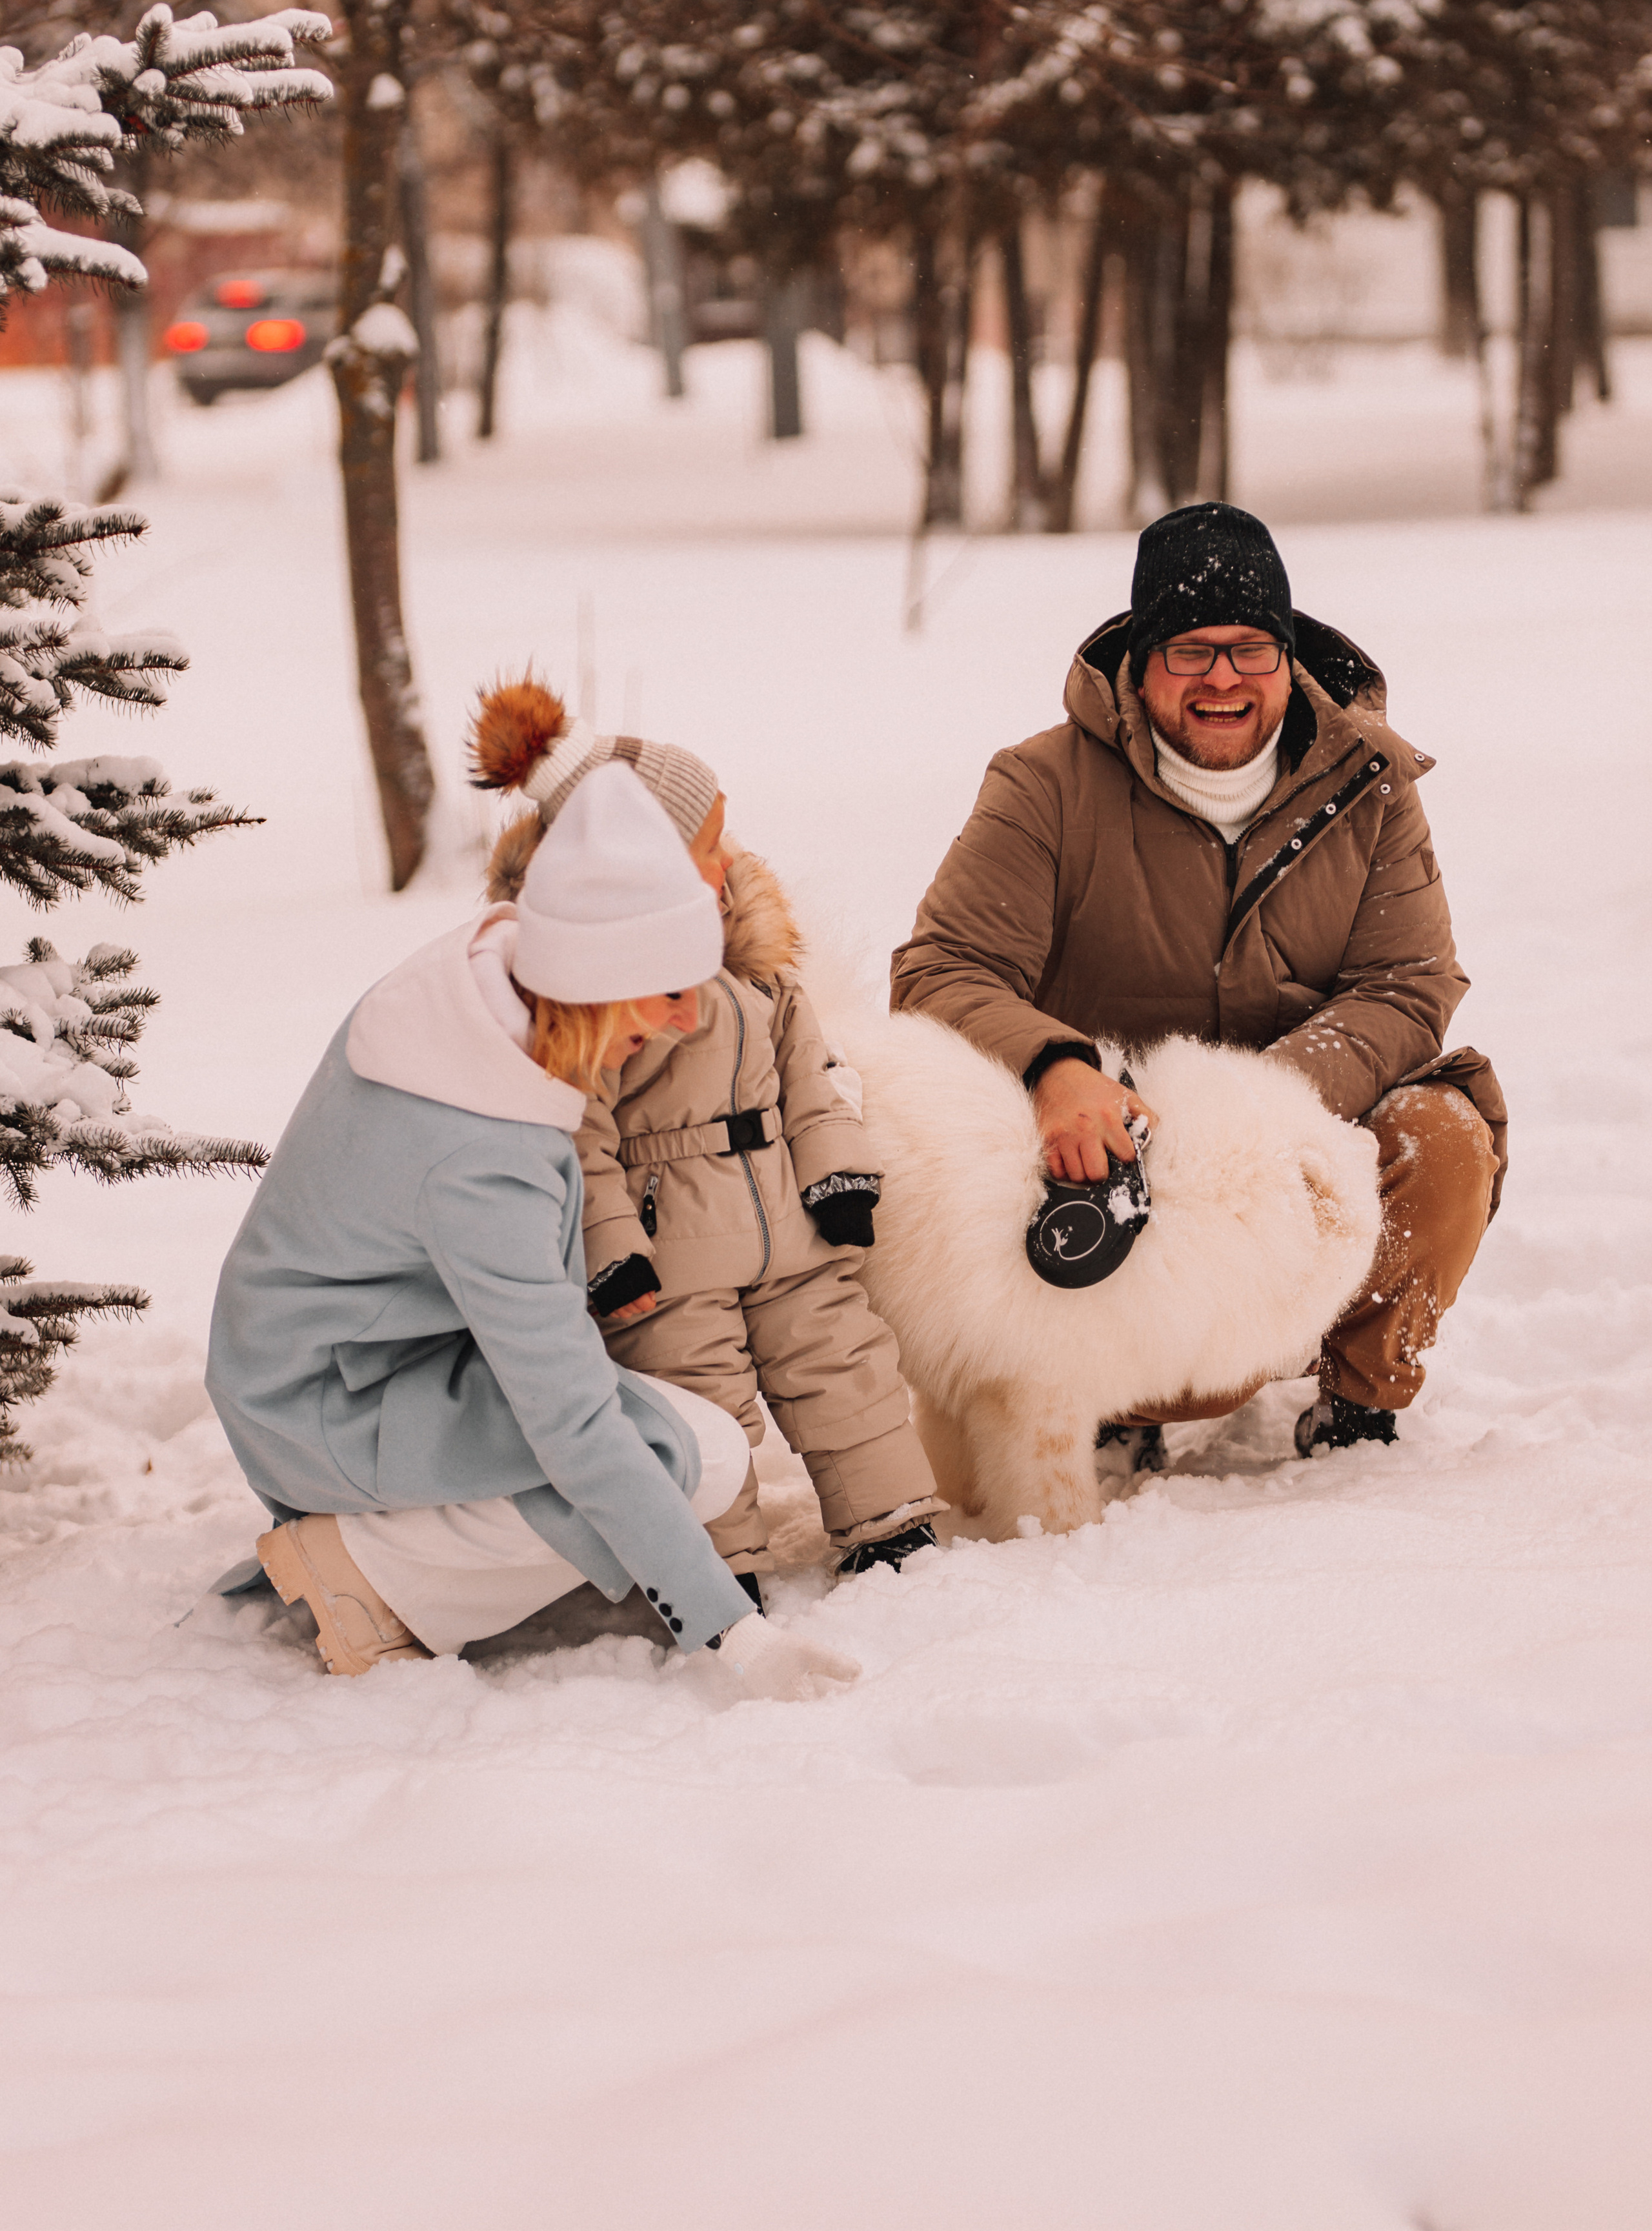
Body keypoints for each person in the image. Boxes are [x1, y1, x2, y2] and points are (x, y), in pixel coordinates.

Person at [205, 760, 857, 1696]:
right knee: (699, 1456)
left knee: (675, 1439)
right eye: (669, 988)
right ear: (600, 978)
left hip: (331, 1360)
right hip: (327, 1404)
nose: (686, 1018)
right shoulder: (481, 1159)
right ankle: (369, 1579)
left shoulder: (484, 983)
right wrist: (732, 1634)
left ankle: (403, 1550)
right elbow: (573, 1421)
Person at [890, 500, 1507, 1458]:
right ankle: (1110, 1400)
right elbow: (940, 972)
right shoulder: (1042, 786)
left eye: (1250, 648)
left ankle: (1359, 1396)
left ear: (1288, 658)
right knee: (1169, 1386)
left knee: (1442, 1139)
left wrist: (1258, 1109)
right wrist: (1057, 1069)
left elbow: (1409, 982)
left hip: (1294, 1137)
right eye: (1189, 650)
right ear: (1141, 663)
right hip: (1117, 1158)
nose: (1223, 679)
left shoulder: (1368, 787)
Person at [470, 681, 941, 1597]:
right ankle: (716, 1568)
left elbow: (816, 1075)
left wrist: (837, 1174)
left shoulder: (753, 961)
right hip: (671, 1255)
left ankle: (889, 1522)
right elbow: (578, 1137)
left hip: (788, 1229)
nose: (730, 858)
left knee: (843, 1363)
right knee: (694, 1404)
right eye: (708, 842)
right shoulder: (591, 991)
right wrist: (612, 1252)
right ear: (634, 858)